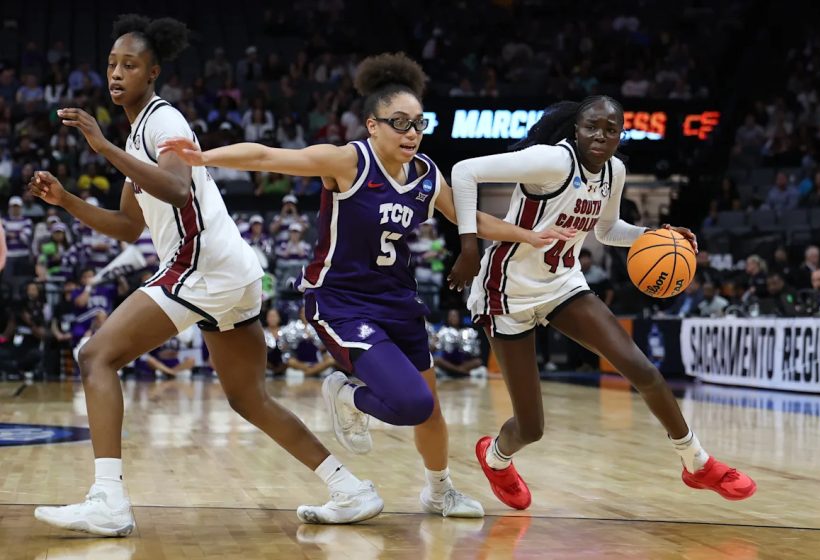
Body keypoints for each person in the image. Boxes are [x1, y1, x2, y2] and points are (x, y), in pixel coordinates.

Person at [160, 52, 574, 519]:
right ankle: (345, 392)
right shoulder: (347, 162)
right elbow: (269, 156)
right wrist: (204, 157)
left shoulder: (426, 175)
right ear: (372, 125)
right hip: (341, 302)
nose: (411, 133)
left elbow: (469, 218)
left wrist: (527, 234)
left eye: (419, 123)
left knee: (431, 408)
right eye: (399, 123)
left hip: (399, 300)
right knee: (413, 403)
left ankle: (440, 491)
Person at [30, 14, 384, 537]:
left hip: (203, 267)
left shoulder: (164, 121)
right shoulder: (137, 138)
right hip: (232, 273)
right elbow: (129, 227)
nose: (117, 73)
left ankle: (108, 499)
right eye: (111, 63)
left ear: (152, 73)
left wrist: (101, 147)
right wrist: (65, 201)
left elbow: (176, 189)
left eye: (130, 64)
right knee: (248, 398)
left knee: (94, 356)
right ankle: (350, 488)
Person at [449, 95, 757, 510]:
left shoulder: (614, 171)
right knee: (531, 427)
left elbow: (608, 230)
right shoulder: (551, 163)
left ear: (619, 135)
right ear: (576, 129)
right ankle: (495, 457)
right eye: (592, 126)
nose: (600, 135)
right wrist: (469, 248)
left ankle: (696, 463)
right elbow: (464, 172)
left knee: (642, 370)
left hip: (562, 285)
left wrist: (656, 236)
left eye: (610, 129)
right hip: (507, 292)